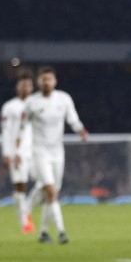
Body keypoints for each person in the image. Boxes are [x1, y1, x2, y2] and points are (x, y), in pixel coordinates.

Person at [20, 66, 88, 244]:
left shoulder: (63, 99)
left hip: (58, 153)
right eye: (43, 79)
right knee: (50, 190)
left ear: (55, 81)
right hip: (39, 153)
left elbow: (72, 118)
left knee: (51, 194)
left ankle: (42, 230)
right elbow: (22, 126)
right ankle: (61, 231)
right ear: (38, 82)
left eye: (49, 79)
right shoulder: (32, 103)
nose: (46, 82)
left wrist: (80, 130)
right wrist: (19, 149)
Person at [0, 71, 36, 233]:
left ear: (32, 87)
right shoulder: (9, 107)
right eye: (22, 85)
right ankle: (24, 222)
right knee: (20, 186)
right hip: (16, 153)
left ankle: (26, 210)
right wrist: (7, 153)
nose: (25, 88)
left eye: (28, 85)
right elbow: (6, 132)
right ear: (17, 88)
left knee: (45, 184)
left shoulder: (36, 104)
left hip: (36, 151)